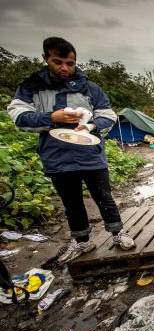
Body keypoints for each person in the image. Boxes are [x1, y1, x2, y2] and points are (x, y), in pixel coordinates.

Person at [7, 37, 134, 263]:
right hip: (57, 155)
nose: (65, 68)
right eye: (58, 62)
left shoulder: (89, 87)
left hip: (90, 153)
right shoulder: (32, 87)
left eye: (70, 63)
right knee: (71, 202)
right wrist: (51, 118)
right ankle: (82, 241)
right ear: (45, 58)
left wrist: (92, 125)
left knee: (104, 196)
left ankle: (118, 233)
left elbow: (108, 115)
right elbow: (18, 116)